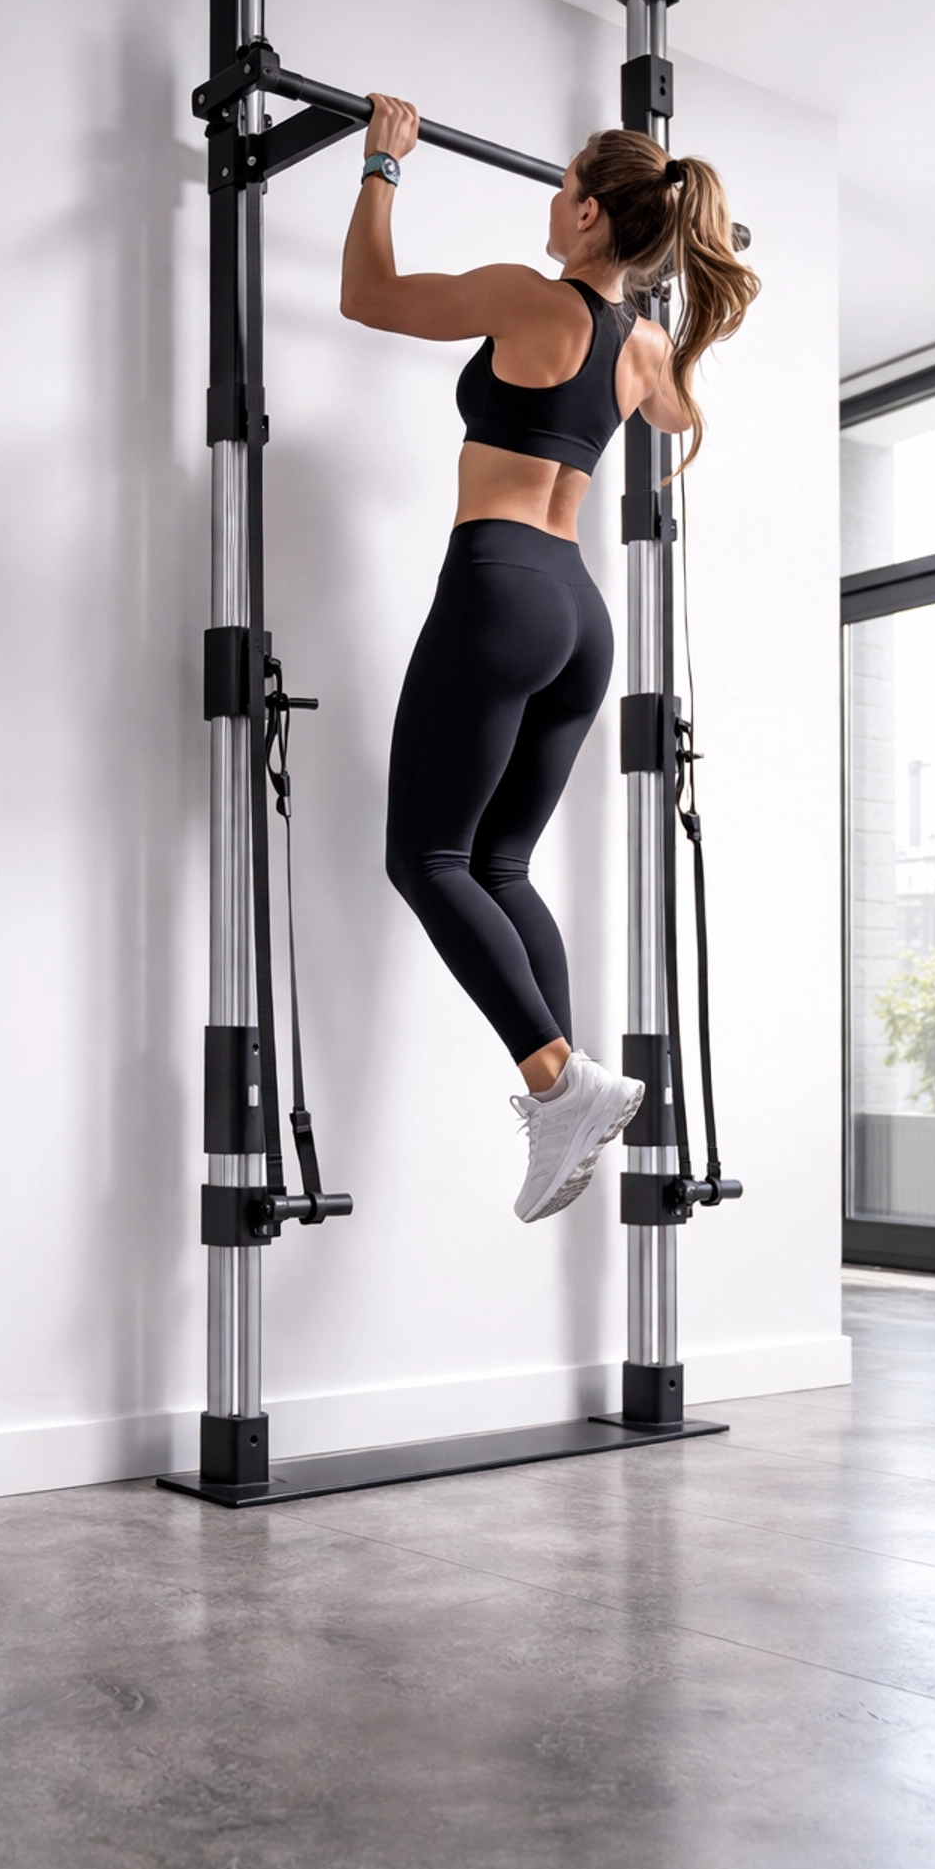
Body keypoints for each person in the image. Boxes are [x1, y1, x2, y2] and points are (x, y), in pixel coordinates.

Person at [340, 96, 759, 1222]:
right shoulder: (648, 346)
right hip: (580, 615)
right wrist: (657, 287)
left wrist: (382, 165)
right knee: (502, 865)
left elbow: (365, 296)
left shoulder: (527, 300)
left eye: (562, 184)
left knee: (427, 858)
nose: (548, 199)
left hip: (499, 588)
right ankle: (564, 1093)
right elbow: (671, 416)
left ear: (584, 213)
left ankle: (555, 1079)